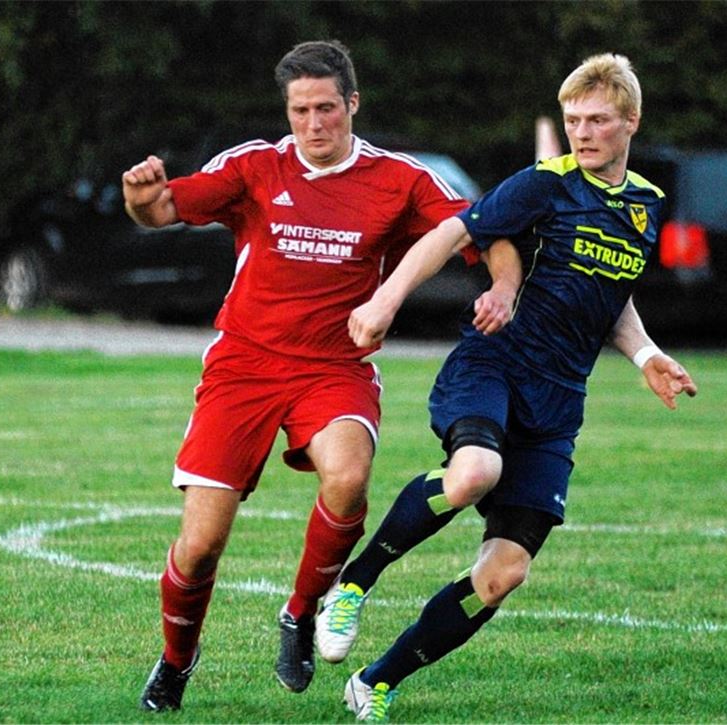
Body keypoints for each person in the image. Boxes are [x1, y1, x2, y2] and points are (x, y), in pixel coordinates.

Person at [121, 40, 520, 713]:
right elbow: (160, 211)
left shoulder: (399, 179)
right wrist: (139, 197)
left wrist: (506, 284)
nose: (313, 123)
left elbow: (485, 226)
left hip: (334, 367)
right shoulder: (254, 165)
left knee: (349, 473)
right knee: (198, 546)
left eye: (327, 108)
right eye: (301, 109)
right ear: (288, 110)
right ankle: (174, 661)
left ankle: (301, 613)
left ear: (352, 104)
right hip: (243, 367)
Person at [312, 53, 699, 723]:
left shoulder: (645, 205)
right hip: (494, 367)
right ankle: (352, 582)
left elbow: (612, 299)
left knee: (503, 573)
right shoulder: (542, 184)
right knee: (472, 473)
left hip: (557, 406)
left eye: (597, 120)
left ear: (630, 121)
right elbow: (448, 233)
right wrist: (385, 301)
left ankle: (376, 680)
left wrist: (646, 355)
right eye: (573, 119)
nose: (582, 132)